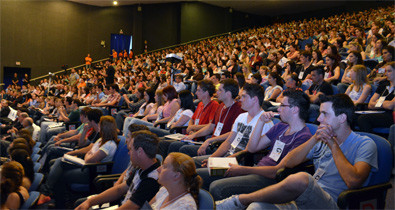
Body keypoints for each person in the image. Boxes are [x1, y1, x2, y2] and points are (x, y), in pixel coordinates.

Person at [216, 94, 378, 210]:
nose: (319, 119)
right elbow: (287, 162)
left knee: (302, 178)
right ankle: (246, 202)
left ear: (342, 118)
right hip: (305, 197)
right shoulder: (320, 139)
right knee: (258, 207)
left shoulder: (365, 144)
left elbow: (354, 181)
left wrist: (333, 145)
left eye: (324, 114)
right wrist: (314, 139)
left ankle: (240, 200)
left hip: (332, 202)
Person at [205, 90, 313, 201]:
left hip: (271, 180)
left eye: (282, 105)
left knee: (217, 187)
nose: (278, 109)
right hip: (257, 170)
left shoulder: (304, 137)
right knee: (204, 174)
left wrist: (243, 169)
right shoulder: (281, 126)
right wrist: (261, 121)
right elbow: (252, 148)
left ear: (295, 109)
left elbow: (276, 171)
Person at [39, 116, 119, 208]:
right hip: (85, 165)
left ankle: (52, 198)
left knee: (60, 170)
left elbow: (89, 159)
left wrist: (89, 155)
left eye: (100, 126)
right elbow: (88, 152)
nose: (98, 128)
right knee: (58, 162)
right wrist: (87, 154)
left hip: (91, 172)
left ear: (105, 128)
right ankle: (53, 197)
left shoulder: (109, 145)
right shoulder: (101, 140)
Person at [75, 130, 160, 210]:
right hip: (121, 204)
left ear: (140, 152)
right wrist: (90, 202)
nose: (128, 153)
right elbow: (119, 190)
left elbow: (130, 207)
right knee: (81, 203)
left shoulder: (151, 179)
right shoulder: (141, 167)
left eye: (130, 149)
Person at [194, 83, 274, 167]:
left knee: (198, 169)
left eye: (244, 96)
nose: (240, 100)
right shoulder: (241, 116)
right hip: (227, 157)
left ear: (254, 99)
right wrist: (212, 158)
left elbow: (250, 151)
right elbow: (228, 141)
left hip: (239, 163)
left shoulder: (266, 122)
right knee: (194, 162)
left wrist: (221, 161)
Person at [177, 79, 244, 157]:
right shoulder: (221, 106)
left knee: (183, 149)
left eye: (220, 90)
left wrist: (210, 140)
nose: (216, 93)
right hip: (212, 143)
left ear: (228, 94)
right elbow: (210, 127)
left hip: (221, 146)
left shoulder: (239, 109)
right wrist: (193, 135)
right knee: (176, 145)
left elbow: (232, 133)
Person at [357, 62, 395, 132]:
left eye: (389, 71)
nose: (386, 74)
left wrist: (378, 102)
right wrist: (384, 104)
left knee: (363, 119)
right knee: (353, 116)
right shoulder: (383, 85)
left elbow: (390, 106)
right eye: (386, 71)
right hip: (377, 111)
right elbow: (370, 104)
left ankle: (370, 141)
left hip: (390, 115)